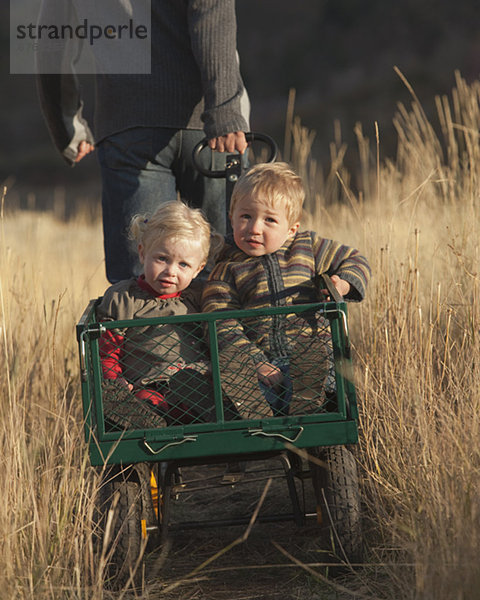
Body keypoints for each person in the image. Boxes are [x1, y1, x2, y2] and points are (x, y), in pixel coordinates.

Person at [36, 0, 250, 283]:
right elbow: (213, 12)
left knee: (142, 284)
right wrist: (224, 109)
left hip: (129, 125)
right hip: (212, 129)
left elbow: (52, 39)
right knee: (231, 274)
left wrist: (67, 126)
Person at [201, 162, 371, 418]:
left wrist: (342, 283)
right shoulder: (226, 268)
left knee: (318, 371)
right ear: (231, 217)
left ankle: (306, 400)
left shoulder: (308, 247)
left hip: (308, 355)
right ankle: (259, 414)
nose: (255, 228)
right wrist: (254, 361)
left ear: (291, 229)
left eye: (269, 220)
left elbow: (356, 260)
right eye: (245, 216)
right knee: (238, 379)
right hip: (262, 365)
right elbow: (221, 322)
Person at [97, 201, 222, 429]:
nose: (170, 271)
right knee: (144, 402)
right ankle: (147, 421)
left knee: (204, 391)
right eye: (162, 259)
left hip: (194, 384)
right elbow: (108, 351)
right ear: (143, 253)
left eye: (183, 264)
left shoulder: (198, 297)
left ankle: (221, 414)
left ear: (198, 269)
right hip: (148, 386)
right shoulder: (125, 298)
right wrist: (115, 382)